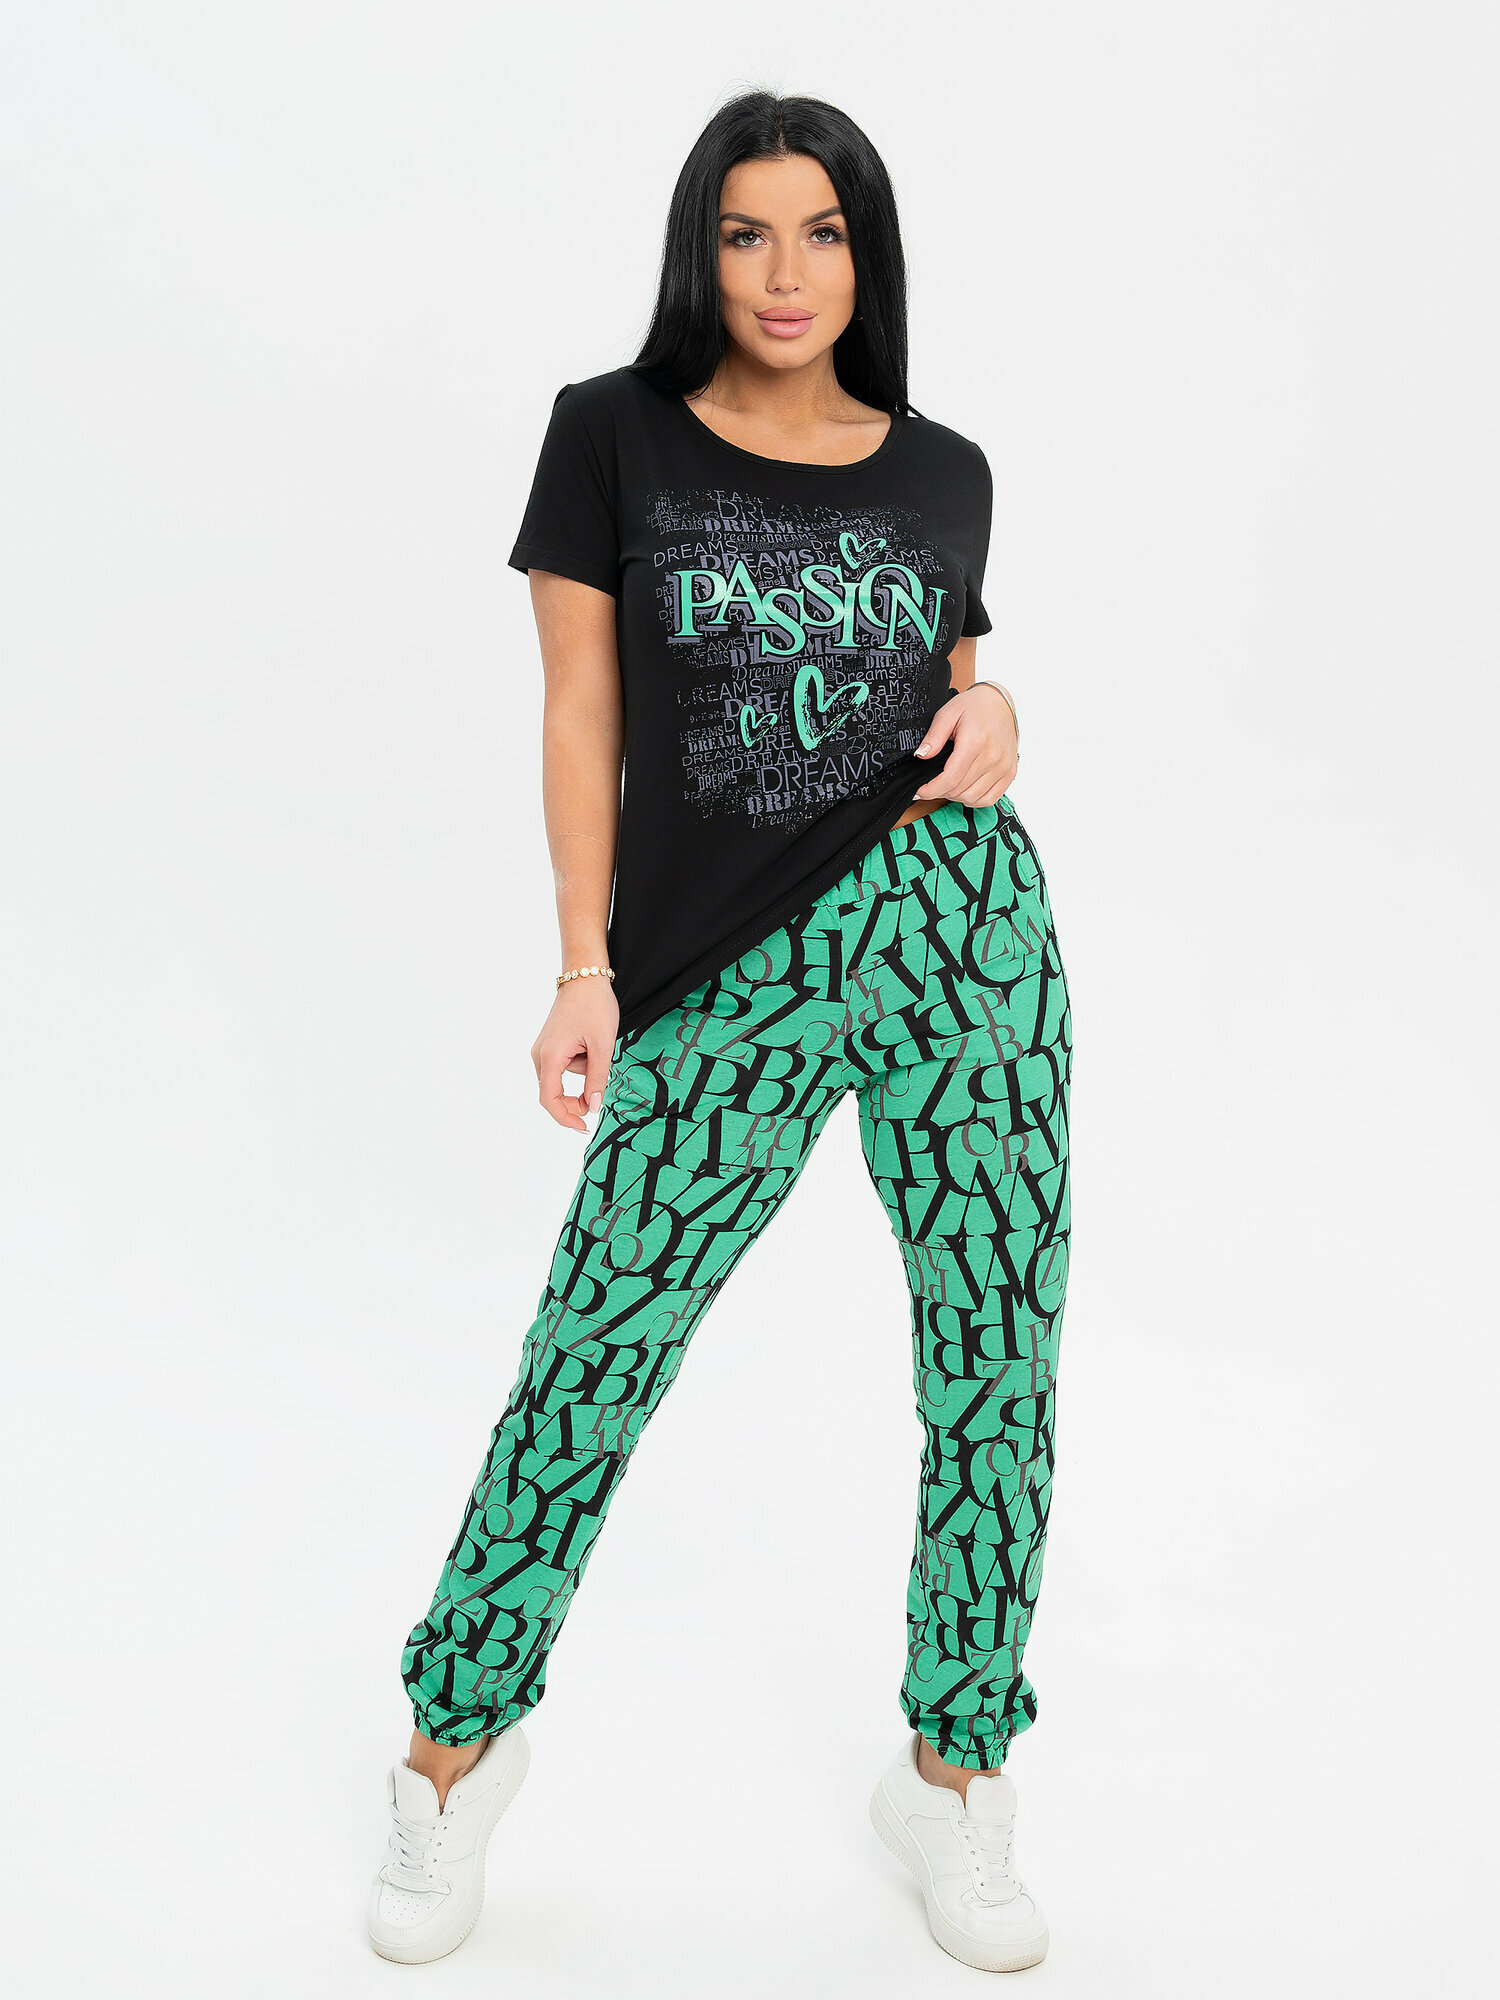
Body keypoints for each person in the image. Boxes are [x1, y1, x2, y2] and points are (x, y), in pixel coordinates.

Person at [367, 90, 1071, 1976]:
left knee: (995, 1358)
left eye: (823, 232)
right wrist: (583, 964)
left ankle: (958, 1769)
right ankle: (450, 1754)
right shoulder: (610, 432)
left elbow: (950, 705)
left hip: (963, 939)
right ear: (702, 249)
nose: (785, 272)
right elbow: (578, 709)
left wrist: (1004, 718)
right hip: (725, 970)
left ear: (867, 255)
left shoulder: (945, 467)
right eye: (747, 232)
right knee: (593, 1355)